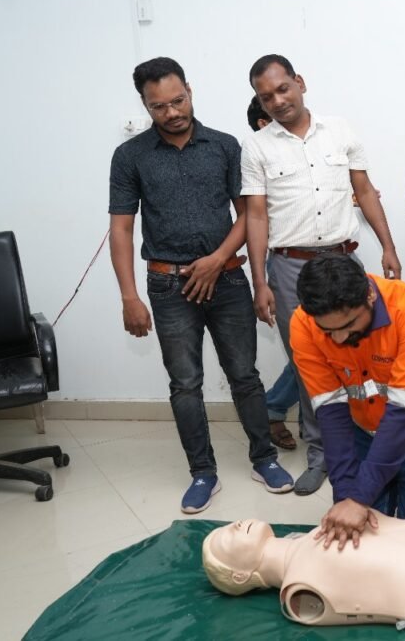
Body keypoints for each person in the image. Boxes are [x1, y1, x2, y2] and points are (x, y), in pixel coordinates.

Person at [108, 57, 294, 513]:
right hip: (168, 287)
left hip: (227, 279)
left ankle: (264, 459)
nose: (172, 112)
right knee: (185, 384)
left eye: (178, 100)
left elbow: (249, 215)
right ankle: (203, 473)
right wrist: (129, 297)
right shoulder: (130, 156)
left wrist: (217, 260)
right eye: (159, 106)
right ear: (145, 106)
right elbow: (121, 229)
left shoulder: (226, 146)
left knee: (244, 375)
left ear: (189, 91)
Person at [242, 54, 402, 496]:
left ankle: (362, 443)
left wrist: (388, 246)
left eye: (283, 88)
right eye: (266, 97)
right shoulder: (256, 147)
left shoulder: (340, 130)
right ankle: (321, 455)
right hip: (290, 267)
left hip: (344, 260)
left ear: (300, 82)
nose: (278, 100)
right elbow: (256, 216)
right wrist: (260, 282)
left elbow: (363, 190)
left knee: (359, 353)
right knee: (308, 363)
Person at [290, 254, 405, 547]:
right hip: (363, 429)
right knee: (361, 537)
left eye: (349, 324)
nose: (339, 339)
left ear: (369, 295)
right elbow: (332, 416)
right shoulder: (303, 324)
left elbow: (404, 414)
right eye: (328, 331)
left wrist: (360, 497)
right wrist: (347, 497)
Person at [202, 515, 405, 629]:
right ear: (240, 576)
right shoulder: (300, 586)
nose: (235, 525)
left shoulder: (307, 543)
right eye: (226, 538)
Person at [247, 95, 299, 451]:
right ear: (264, 124)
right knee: (307, 355)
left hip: (325, 260)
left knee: (325, 349)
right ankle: (273, 408)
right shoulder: (255, 158)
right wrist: (260, 282)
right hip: (284, 262)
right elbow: (257, 216)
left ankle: (275, 409)